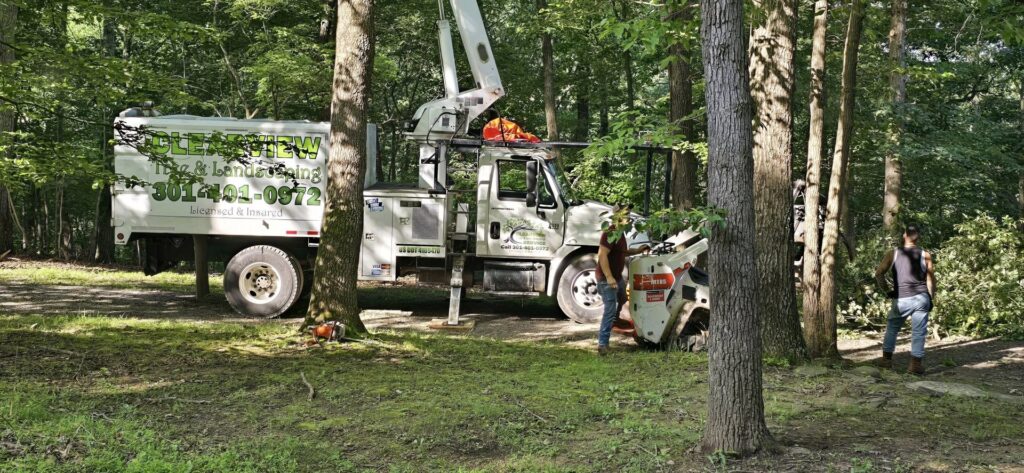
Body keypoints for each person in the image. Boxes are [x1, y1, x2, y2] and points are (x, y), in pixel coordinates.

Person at [874, 223, 936, 375]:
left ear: (904, 236)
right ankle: (915, 366)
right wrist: (931, 297)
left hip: (901, 298)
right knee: (919, 332)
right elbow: (930, 279)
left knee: (892, 328)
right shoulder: (925, 254)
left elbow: (879, 273)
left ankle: (886, 361)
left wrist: (887, 291)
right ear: (918, 237)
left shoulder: (892, 254)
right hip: (921, 297)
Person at [596, 207, 649, 355]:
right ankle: (602, 344)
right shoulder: (610, 232)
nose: (628, 219)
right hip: (607, 280)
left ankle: (614, 321)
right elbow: (602, 255)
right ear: (617, 217)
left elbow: (622, 252)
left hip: (617, 278)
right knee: (610, 309)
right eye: (625, 216)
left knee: (623, 297)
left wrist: (638, 251)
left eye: (628, 216)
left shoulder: (620, 234)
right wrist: (609, 277)